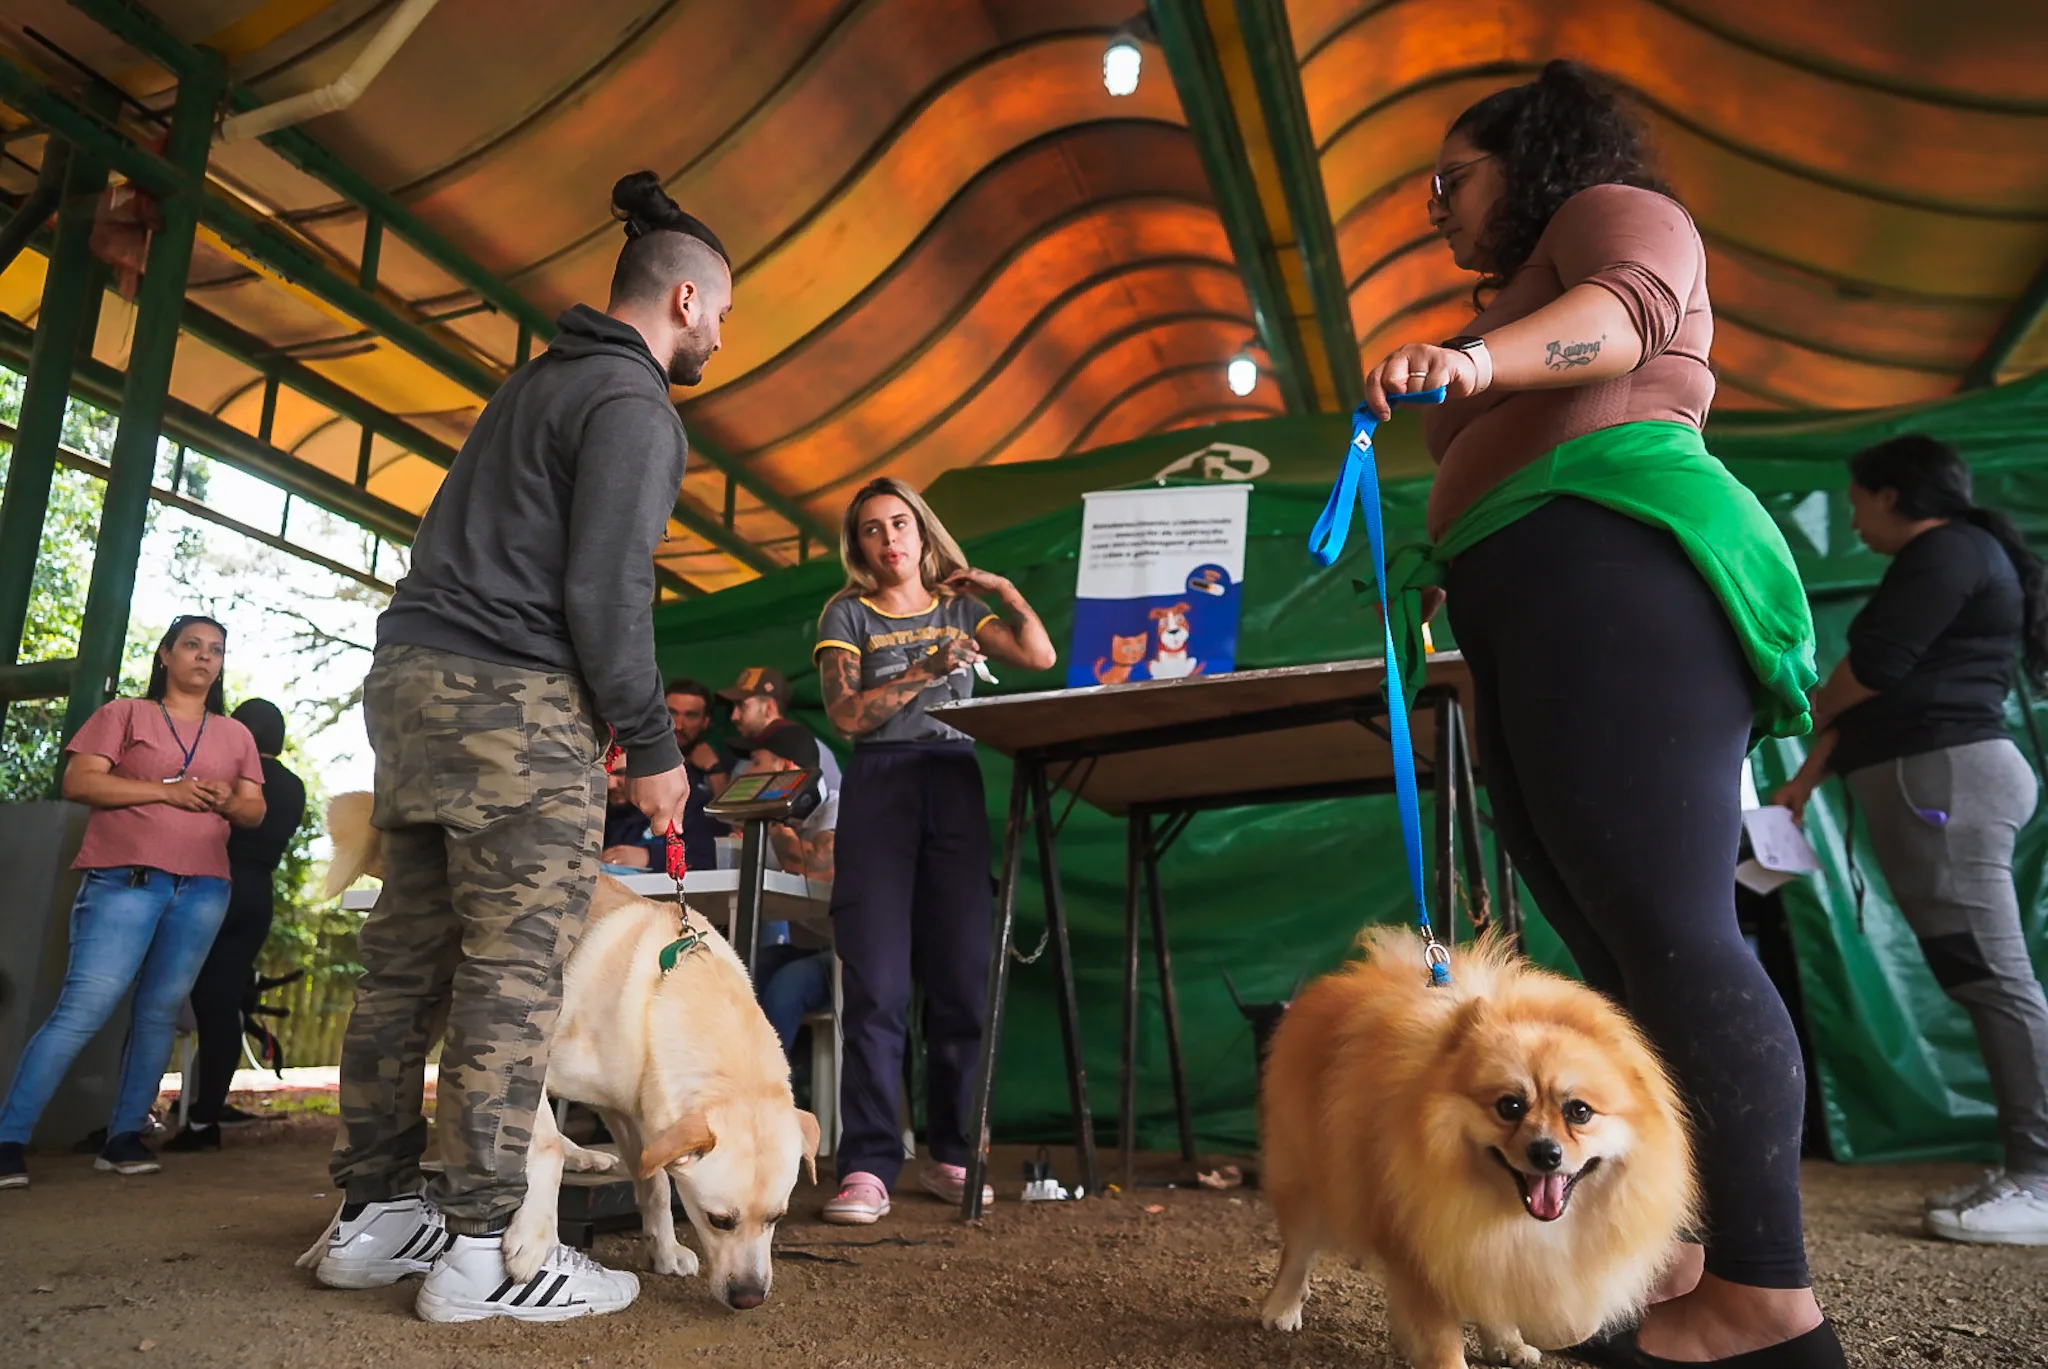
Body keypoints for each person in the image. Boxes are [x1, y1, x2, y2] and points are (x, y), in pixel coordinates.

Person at [1365, 63, 1838, 1367]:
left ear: (1532, 154)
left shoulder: (1613, 213)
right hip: (1540, 591)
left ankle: (1765, 1300)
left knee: (1674, 936)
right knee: (1618, 953)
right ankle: (1674, 1257)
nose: (1434, 207)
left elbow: (1625, 317)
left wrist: (1469, 361)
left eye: (1452, 178)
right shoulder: (1524, 288)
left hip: (1617, 563)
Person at [306, 171, 728, 1324]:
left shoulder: (534, 383)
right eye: (722, 317)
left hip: (414, 682)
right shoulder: (634, 402)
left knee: (406, 961)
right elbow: (604, 592)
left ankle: (372, 1216)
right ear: (684, 299)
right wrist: (653, 743)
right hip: (517, 700)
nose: (719, 340)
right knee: (512, 971)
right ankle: (488, 1247)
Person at [1775, 435, 2048, 1245]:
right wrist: (1804, 778)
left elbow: (1873, 670)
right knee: (1978, 975)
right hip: (1942, 780)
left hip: (1950, 782)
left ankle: (2039, 1177)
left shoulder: (1948, 551)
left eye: (1859, 500)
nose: (1854, 517)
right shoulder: (1956, 554)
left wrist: (1801, 708)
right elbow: (1880, 694)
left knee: (1996, 978)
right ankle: (2026, 1166)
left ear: (1893, 494)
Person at [813, 476, 1056, 1225]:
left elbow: (1039, 655)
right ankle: (867, 1165)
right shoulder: (847, 613)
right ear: (858, 546)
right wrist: (926, 668)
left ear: (922, 532)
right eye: (872, 529)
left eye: (899, 524)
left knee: (959, 981)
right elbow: (846, 714)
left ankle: (952, 1152)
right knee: (878, 987)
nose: (888, 539)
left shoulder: (962, 609)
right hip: (880, 785)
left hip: (953, 780)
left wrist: (1003, 590)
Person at [0, 616, 265, 1188]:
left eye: (216, 650)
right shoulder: (125, 713)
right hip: (126, 880)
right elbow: (79, 782)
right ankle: (8, 1139)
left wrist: (226, 801)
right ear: (165, 655)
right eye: (192, 645)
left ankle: (124, 1137)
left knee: (159, 1013)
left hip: (204, 888)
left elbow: (254, 810)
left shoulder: (235, 735)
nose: (204, 657)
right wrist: (165, 793)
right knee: (84, 1009)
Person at [166, 698, 308, 1152]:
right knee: (223, 1008)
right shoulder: (294, 786)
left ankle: (125, 1117)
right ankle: (204, 1120)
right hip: (256, 895)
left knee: (157, 998)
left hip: (209, 884)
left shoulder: (230, 777)